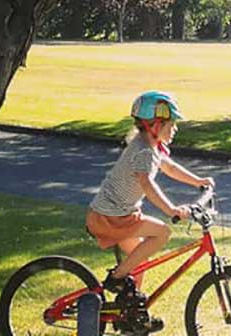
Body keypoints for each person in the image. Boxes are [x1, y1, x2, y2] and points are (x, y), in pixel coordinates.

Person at [86, 90, 214, 297]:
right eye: (171, 124)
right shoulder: (144, 151)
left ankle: (129, 312)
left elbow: (170, 168)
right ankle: (117, 277)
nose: (175, 129)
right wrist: (171, 209)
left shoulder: (150, 147)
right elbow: (146, 184)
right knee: (162, 233)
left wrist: (198, 181)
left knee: (138, 263)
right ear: (154, 125)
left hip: (118, 215)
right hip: (111, 217)